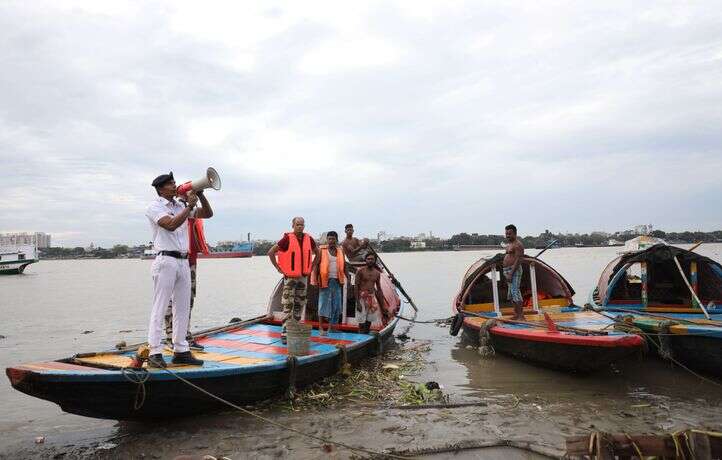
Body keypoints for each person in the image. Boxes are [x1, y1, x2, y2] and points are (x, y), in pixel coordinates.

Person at [144, 172, 206, 368]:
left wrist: (200, 195)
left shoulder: (180, 205)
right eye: (170, 184)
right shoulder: (155, 207)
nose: (175, 185)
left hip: (183, 261)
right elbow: (170, 225)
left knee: (183, 307)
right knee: (160, 305)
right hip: (165, 261)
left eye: (174, 182)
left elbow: (208, 214)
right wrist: (189, 206)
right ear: (161, 188)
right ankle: (154, 351)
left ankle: (181, 350)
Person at [163, 189, 213, 351]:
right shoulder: (172, 210)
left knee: (188, 301)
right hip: (174, 260)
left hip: (190, 261)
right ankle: (170, 337)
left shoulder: (190, 210)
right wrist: (186, 204)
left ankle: (185, 335)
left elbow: (208, 213)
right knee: (171, 301)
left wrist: (201, 195)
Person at [268, 217, 320, 344]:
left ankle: (294, 329)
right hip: (290, 278)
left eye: (302, 225)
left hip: (303, 277)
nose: (300, 227)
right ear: (292, 225)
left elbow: (318, 253)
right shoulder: (287, 239)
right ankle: (285, 332)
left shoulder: (309, 239)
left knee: (299, 304)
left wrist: (312, 266)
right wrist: (277, 267)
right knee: (288, 305)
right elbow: (271, 252)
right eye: (297, 225)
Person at [312, 231, 349, 335]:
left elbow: (345, 265)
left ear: (336, 240)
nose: (331, 241)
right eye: (329, 239)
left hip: (337, 281)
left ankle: (332, 327)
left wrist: (348, 278)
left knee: (336, 305)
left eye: (333, 239)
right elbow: (315, 265)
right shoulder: (321, 250)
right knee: (323, 304)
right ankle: (320, 327)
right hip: (325, 281)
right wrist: (315, 279)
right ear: (327, 240)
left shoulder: (341, 251)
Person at [354, 252, 386, 334]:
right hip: (361, 298)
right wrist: (358, 302)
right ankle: (360, 338)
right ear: (365, 260)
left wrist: (383, 305)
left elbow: (379, 289)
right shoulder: (360, 271)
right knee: (361, 322)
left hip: (371, 298)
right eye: (368, 259)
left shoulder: (377, 273)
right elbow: (356, 286)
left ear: (375, 261)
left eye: (372, 259)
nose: (370, 261)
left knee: (369, 321)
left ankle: (366, 336)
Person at [503, 224, 525, 320]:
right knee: (511, 294)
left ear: (515, 234)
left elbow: (518, 260)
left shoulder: (518, 245)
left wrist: (511, 273)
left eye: (510, 234)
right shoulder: (509, 245)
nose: (508, 235)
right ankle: (516, 314)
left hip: (514, 271)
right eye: (506, 233)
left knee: (516, 292)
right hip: (507, 271)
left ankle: (521, 316)